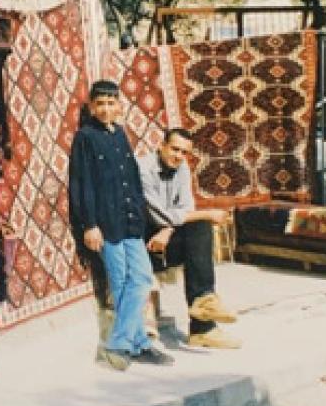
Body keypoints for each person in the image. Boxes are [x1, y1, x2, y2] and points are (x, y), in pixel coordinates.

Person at [69, 80, 174, 371]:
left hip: (130, 222)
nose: (105, 109)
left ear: (119, 106)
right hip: (106, 223)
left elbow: (131, 177)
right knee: (121, 281)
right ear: (92, 107)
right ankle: (131, 343)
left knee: (140, 278)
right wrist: (89, 224)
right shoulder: (85, 138)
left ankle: (126, 342)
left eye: (110, 103)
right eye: (99, 104)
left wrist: (141, 216)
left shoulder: (120, 135)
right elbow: (82, 184)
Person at [138, 128, 242, 349]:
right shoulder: (143, 169)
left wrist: (167, 231)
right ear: (162, 146)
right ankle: (203, 317)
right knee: (202, 221)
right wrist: (207, 213)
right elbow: (158, 213)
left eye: (184, 152)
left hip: (164, 235)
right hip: (142, 242)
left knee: (199, 228)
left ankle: (203, 317)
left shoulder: (182, 167)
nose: (179, 156)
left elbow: (186, 207)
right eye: (175, 149)